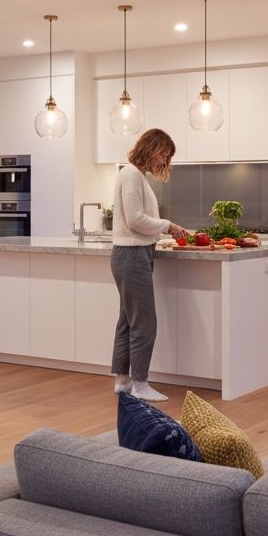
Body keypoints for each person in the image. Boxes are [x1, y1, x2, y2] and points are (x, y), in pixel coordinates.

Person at [109, 128, 190, 402]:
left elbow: (138, 221)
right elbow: (135, 219)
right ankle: (140, 383)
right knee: (144, 322)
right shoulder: (131, 174)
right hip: (132, 256)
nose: (163, 161)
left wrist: (160, 233)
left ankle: (123, 382)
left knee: (128, 321)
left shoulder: (134, 175)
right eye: (162, 154)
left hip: (132, 254)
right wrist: (168, 226)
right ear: (150, 147)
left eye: (167, 157)